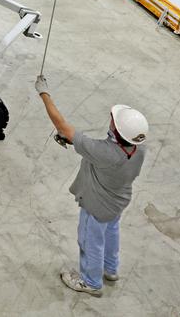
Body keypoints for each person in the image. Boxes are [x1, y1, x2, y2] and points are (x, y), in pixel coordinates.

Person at [35, 77, 148, 298]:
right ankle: (111, 269)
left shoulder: (102, 152)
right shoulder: (139, 149)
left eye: (114, 121)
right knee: (111, 234)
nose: (111, 120)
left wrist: (44, 94)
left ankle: (91, 282)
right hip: (118, 202)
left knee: (90, 241)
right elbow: (103, 153)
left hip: (97, 207)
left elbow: (62, 126)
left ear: (117, 131)